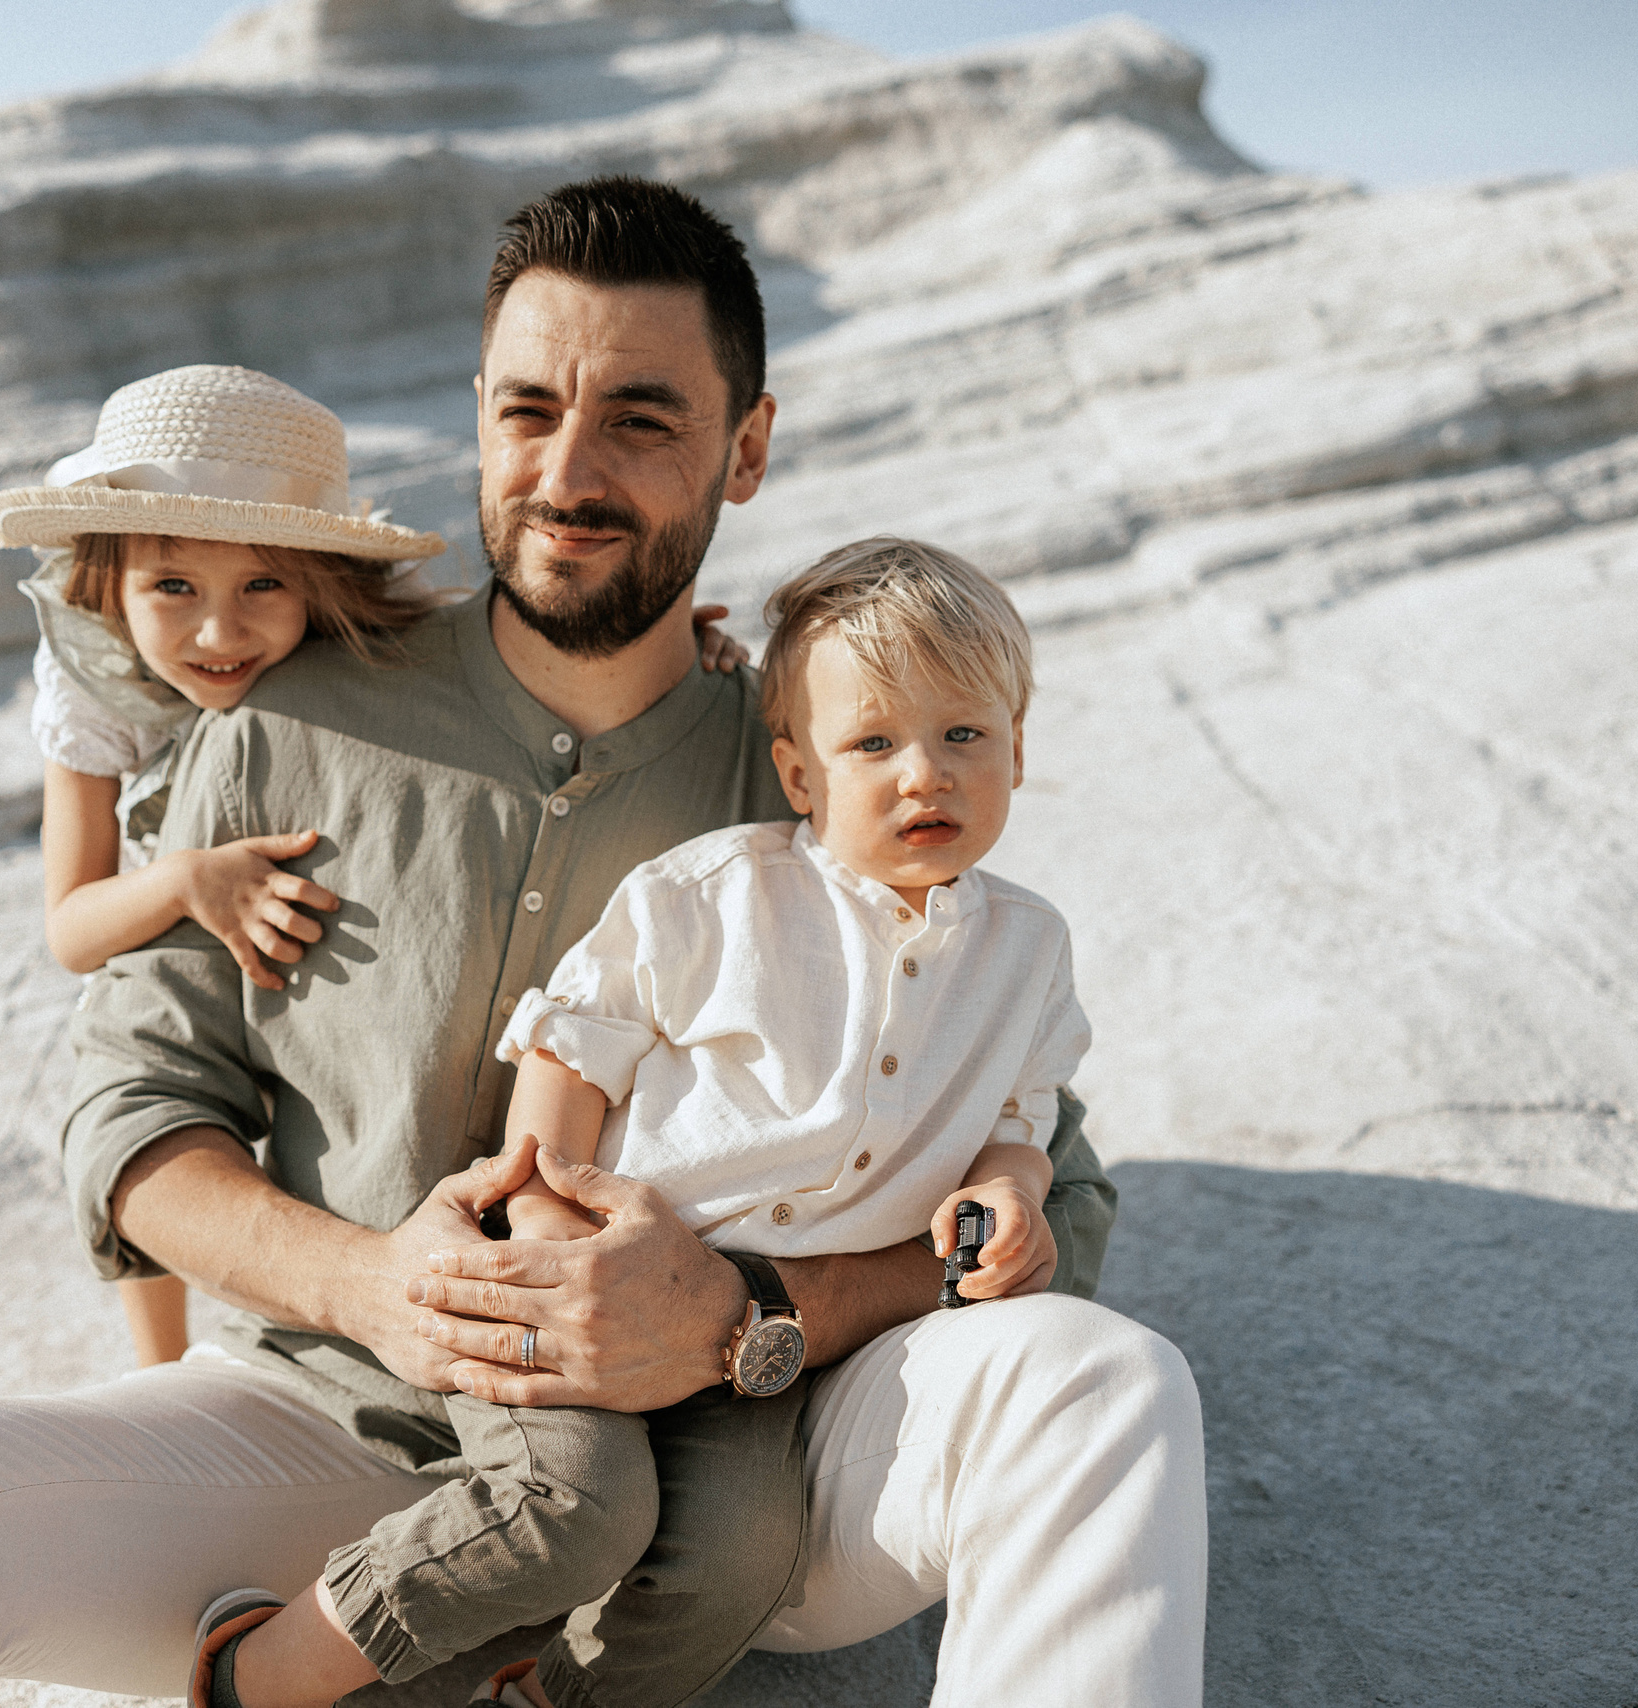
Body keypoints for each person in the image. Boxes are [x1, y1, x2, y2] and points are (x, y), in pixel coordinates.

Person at [0, 175, 1206, 1708]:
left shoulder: (817, 769)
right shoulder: (283, 722)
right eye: (529, 409)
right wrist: (371, 1288)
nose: (569, 471)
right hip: (323, 1432)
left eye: (641, 419)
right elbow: (132, 1119)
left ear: (746, 449)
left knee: (1104, 1384)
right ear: (479, 414)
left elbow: (1056, 1191)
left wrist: (754, 1316)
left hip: (746, 1462)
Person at [190, 535, 1093, 1708]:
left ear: (1017, 750)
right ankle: (261, 1670)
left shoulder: (1029, 949)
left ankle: (550, 1700)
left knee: (739, 1561)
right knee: (572, 1506)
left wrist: (1012, 1188)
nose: (925, 775)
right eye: (873, 744)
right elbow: (570, 1047)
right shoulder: (714, 894)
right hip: (579, 1278)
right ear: (799, 773)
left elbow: (1020, 1115)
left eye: (962, 734)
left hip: (752, 1346)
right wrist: (542, 1218)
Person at [5, 363, 749, 1367]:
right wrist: (186, 879)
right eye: (171, 586)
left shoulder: (359, 656)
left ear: (321, 582)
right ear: (107, 586)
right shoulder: (87, 694)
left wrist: (664, 639)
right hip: (149, 903)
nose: (219, 631)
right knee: (158, 1087)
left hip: (263, 877)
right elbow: (69, 926)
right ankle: (159, 1361)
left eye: (263, 584)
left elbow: (502, 638)